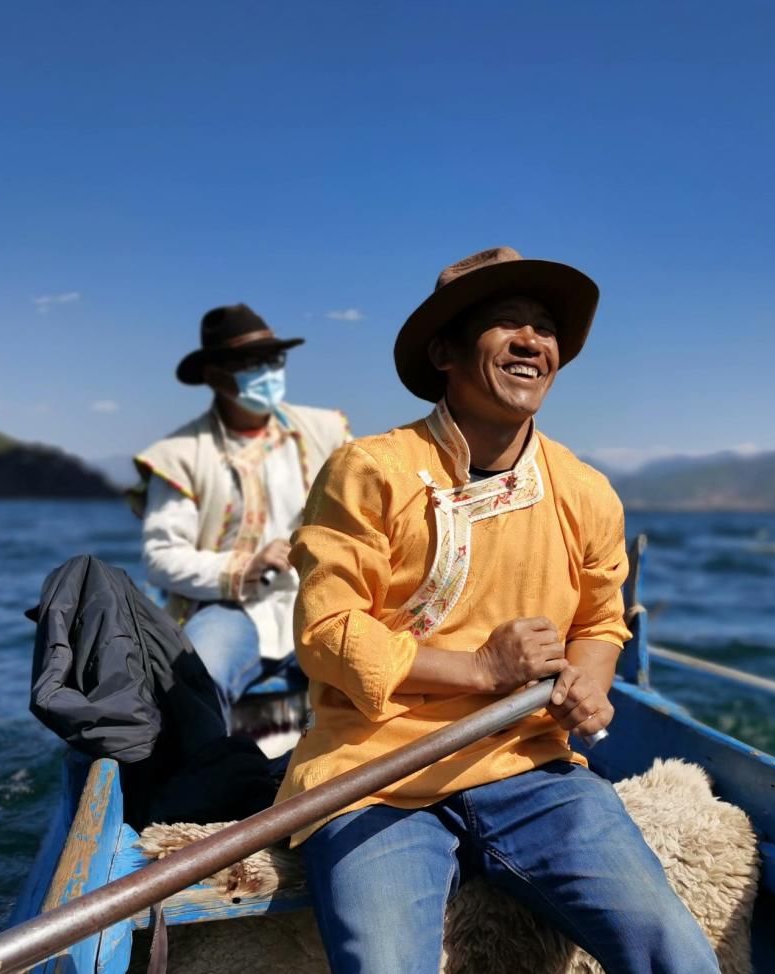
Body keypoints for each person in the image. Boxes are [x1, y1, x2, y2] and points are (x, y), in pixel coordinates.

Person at [276, 248, 720, 974]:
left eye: (543, 327)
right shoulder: (369, 470)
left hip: (531, 765)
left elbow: (602, 622)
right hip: (377, 772)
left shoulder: (586, 491)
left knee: (676, 951)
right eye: (504, 323)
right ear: (445, 352)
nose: (530, 340)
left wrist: (589, 679)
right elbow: (327, 635)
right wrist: (482, 669)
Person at [130, 303, 350, 733]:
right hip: (230, 608)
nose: (267, 371)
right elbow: (160, 557)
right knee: (194, 682)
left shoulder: (328, 431)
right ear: (215, 376)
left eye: (274, 359)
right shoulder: (179, 456)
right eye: (250, 363)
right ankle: (205, 789)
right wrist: (245, 565)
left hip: (325, 596)